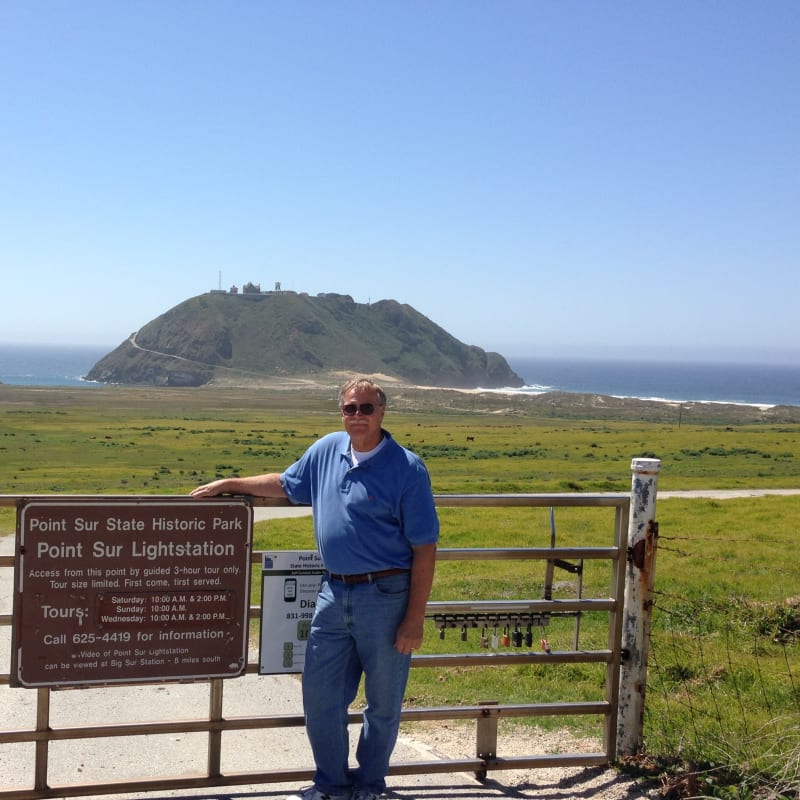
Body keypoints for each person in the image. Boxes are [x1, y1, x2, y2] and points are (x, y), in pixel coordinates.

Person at [191, 377, 439, 800]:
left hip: (386, 597)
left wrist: (413, 619)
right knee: (320, 697)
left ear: (383, 412)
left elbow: (425, 547)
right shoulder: (327, 450)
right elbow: (285, 484)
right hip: (332, 592)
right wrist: (231, 483)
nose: (357, 415)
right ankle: (331, 784)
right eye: (350, 408)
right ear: (341, 412)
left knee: (382, 703)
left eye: (366, 408)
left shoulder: (406, 468)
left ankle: (371, 784)